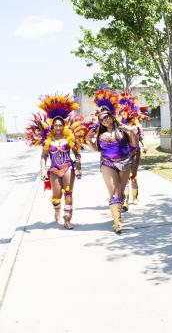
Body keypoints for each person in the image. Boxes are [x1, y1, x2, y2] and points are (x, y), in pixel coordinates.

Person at [27, 94, 84, 230]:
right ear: (52, 127)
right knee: (56, 197)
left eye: (60, 125)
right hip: (53, 170)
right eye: (55, 125)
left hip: (68, 168)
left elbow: (77, 154)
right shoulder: (48, 140)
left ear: (64, 126)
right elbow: (44, 156)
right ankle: (57, 209)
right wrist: (42, 170)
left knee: (68, 193)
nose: (58, 127)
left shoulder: (70, 138)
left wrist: (78, 167)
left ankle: (67, 219)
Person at [86, 89, 138, 234]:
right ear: (100, 121)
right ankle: (117, 223)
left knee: (120, 193)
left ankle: (119, 209)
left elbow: (134, 145)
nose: (105, 120)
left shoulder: (123, 129)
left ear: (111, 116)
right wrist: (87, 141)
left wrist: (131, 131)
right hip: (107, 163)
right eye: (102, 119)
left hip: (125, 163)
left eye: (107, 116)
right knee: (114, 192)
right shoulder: (100, 134)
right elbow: (96, 149)